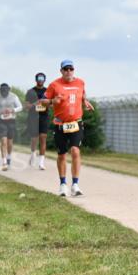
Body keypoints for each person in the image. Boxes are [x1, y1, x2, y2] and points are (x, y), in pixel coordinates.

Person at [45, 59, 94, 196]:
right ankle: (62, 184)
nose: (68, 72)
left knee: (75, 151)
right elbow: (42, 102)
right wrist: (52, 101)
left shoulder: (80, 82)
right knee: (61, 154)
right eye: (65, 69)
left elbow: (82, 94)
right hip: (60, 124)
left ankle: (75, 184)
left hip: (76, 123)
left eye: (70, 69)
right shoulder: (54, 85)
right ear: (61, 71)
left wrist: (85, 101)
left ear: (74, 70)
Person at [24, 72, 50, 170]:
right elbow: (26, 106)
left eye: (42, 78)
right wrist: (36, 103)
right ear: (36, 79)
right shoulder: (30, 91)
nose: (40, 80)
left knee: (43, 137)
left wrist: (45, 104)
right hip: (33, 117)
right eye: (39, 78)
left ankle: (41, 162)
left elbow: (52, 105)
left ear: (44, 80)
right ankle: (33, 154)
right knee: (34, 139)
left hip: (44, 117)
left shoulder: (48, 91)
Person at [0, 83, 23, 171]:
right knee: (3, 141)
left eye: (5, 91)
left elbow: (20, 107)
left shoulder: (14, 96)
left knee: (10, 142)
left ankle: (9, 157)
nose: (4, 93)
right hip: (1, 121)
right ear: (0, 90)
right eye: (2, 91)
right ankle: (4, 162)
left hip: (11, 121)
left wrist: (12, 110)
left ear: (8, 90)